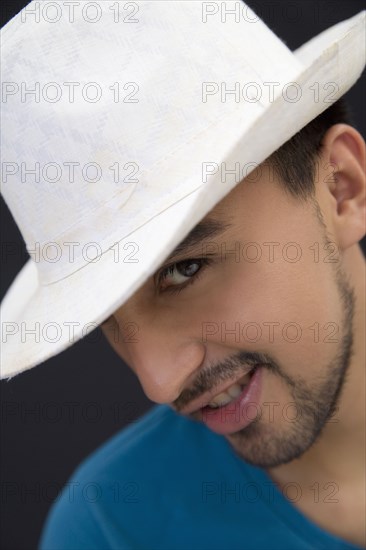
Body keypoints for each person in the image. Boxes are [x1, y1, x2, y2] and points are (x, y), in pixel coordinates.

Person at [1, 1, 365, 548]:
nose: (158, 382)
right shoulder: (110, 529)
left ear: (340, 189)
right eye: (106, 317)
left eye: (185, 270)